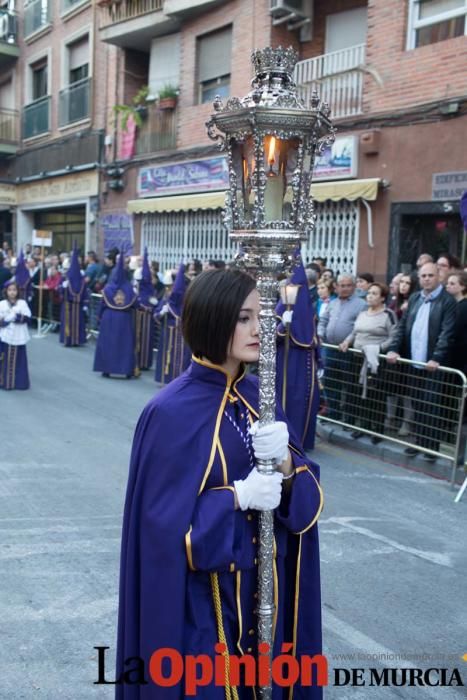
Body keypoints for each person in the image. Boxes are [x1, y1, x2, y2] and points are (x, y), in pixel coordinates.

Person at [116, 269, 324, 699]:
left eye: (261, 317)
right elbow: (160, 532)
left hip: (266, 593)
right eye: (243, 318)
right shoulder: (170, 411)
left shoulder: (260, 398)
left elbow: (304, 507)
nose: (258, 329)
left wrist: (287, 465)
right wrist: (238, 497)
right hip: (202, 609)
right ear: (213, 319)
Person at [387, 262, 457, 461]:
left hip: (433, 364)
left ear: (438, 277)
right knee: (416, 404)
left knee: (431, 405)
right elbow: (402, 327)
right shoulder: (416, 297)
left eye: (430, 275)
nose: (426, 279)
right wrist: (393, 349)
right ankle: (418, 442)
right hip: (414, 361)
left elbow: (447, 332)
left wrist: (437, 357)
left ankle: (431, 448)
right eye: (423, 276)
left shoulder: (447, 301)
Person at [339, 283, 398, 443]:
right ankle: (363, 427)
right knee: (359, 394)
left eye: (374, 293)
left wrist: (379, 348)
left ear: (382, 297)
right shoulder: (363, 313)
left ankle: (377, 430)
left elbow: (393, 336)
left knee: (375, 396)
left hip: (375, 361)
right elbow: (354, 332)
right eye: (369, 293)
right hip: (357, 359)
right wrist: (346, 342)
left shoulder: (388, 314)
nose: (370, 296)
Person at [276, 261, 321, 450]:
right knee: (287, 399)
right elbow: (270, 335)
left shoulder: (309, 313)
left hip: (306, 362)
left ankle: (301, 440)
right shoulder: (280, 309)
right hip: (286, 359)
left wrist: (321, 361)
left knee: (304, 400)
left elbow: (315, 338)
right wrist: (282, 326)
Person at [317, 274, 366, 421]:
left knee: (350, 386)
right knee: (331, 383)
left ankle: (349, 419)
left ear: (354, 286)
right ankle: (334, 415)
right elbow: (323, 320)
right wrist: (319, 334)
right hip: (330, 349)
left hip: (348, 351)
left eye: (348, 285)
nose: (344, 288)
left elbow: (359, 327)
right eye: (342, 285)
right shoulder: (333, 303)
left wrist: (347, 341)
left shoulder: (361, 304)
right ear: (336, 287)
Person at [93, 253, 139, 378]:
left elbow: (102, 304)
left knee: (108, 343)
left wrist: (98, 317)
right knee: (124, 344)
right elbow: (136, 305)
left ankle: (106, 369)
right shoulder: (129, 289)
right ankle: (126, 370)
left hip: (109, 317)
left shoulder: (108, 288)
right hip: (124, 318)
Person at [154, 263, 191, 384]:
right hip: (169, 333)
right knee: (167, 356)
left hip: (184, 335)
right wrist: (163, 312)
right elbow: (157, 315)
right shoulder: (167, 300)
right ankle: (166, 379)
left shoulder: (190, 302)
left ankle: (183, 381)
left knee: (184, 359)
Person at [0, 280, 32, 390]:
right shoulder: (2, 304)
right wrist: (6, 320)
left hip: (19, 335)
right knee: (5, 358)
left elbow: (28, 317)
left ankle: (19, 382)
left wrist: (17, 316)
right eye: (10, 290)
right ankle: (5, 382)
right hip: (6, 334)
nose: (12, 292)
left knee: (19, 358)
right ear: (6, 291)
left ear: (18, 291)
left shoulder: (22, 303)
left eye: (14, 290)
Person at [60, 245, 88, 347]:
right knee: (68, 322)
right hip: (68, 304)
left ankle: (77, 340)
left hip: (78, 305)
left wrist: (85, 303)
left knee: (78, 323)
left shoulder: (81, 276)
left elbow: (85, 291)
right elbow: (59, 289)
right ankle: (67, 340)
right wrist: (63, 287)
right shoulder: (65, 276)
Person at [135, 249, 156, 371]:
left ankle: (143, 362)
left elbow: (151, 304)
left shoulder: (149, 291)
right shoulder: (139, 290)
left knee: (145, 340)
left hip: (146, 319)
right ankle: (138, 360)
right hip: (138, 318)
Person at [446, 270, 467, 375]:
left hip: (460, 357)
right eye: (448, 283)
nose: (448, 286)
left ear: (462, 287)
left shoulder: (463, 307)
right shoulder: (451, 305)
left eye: (452, 284)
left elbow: (455, 330)